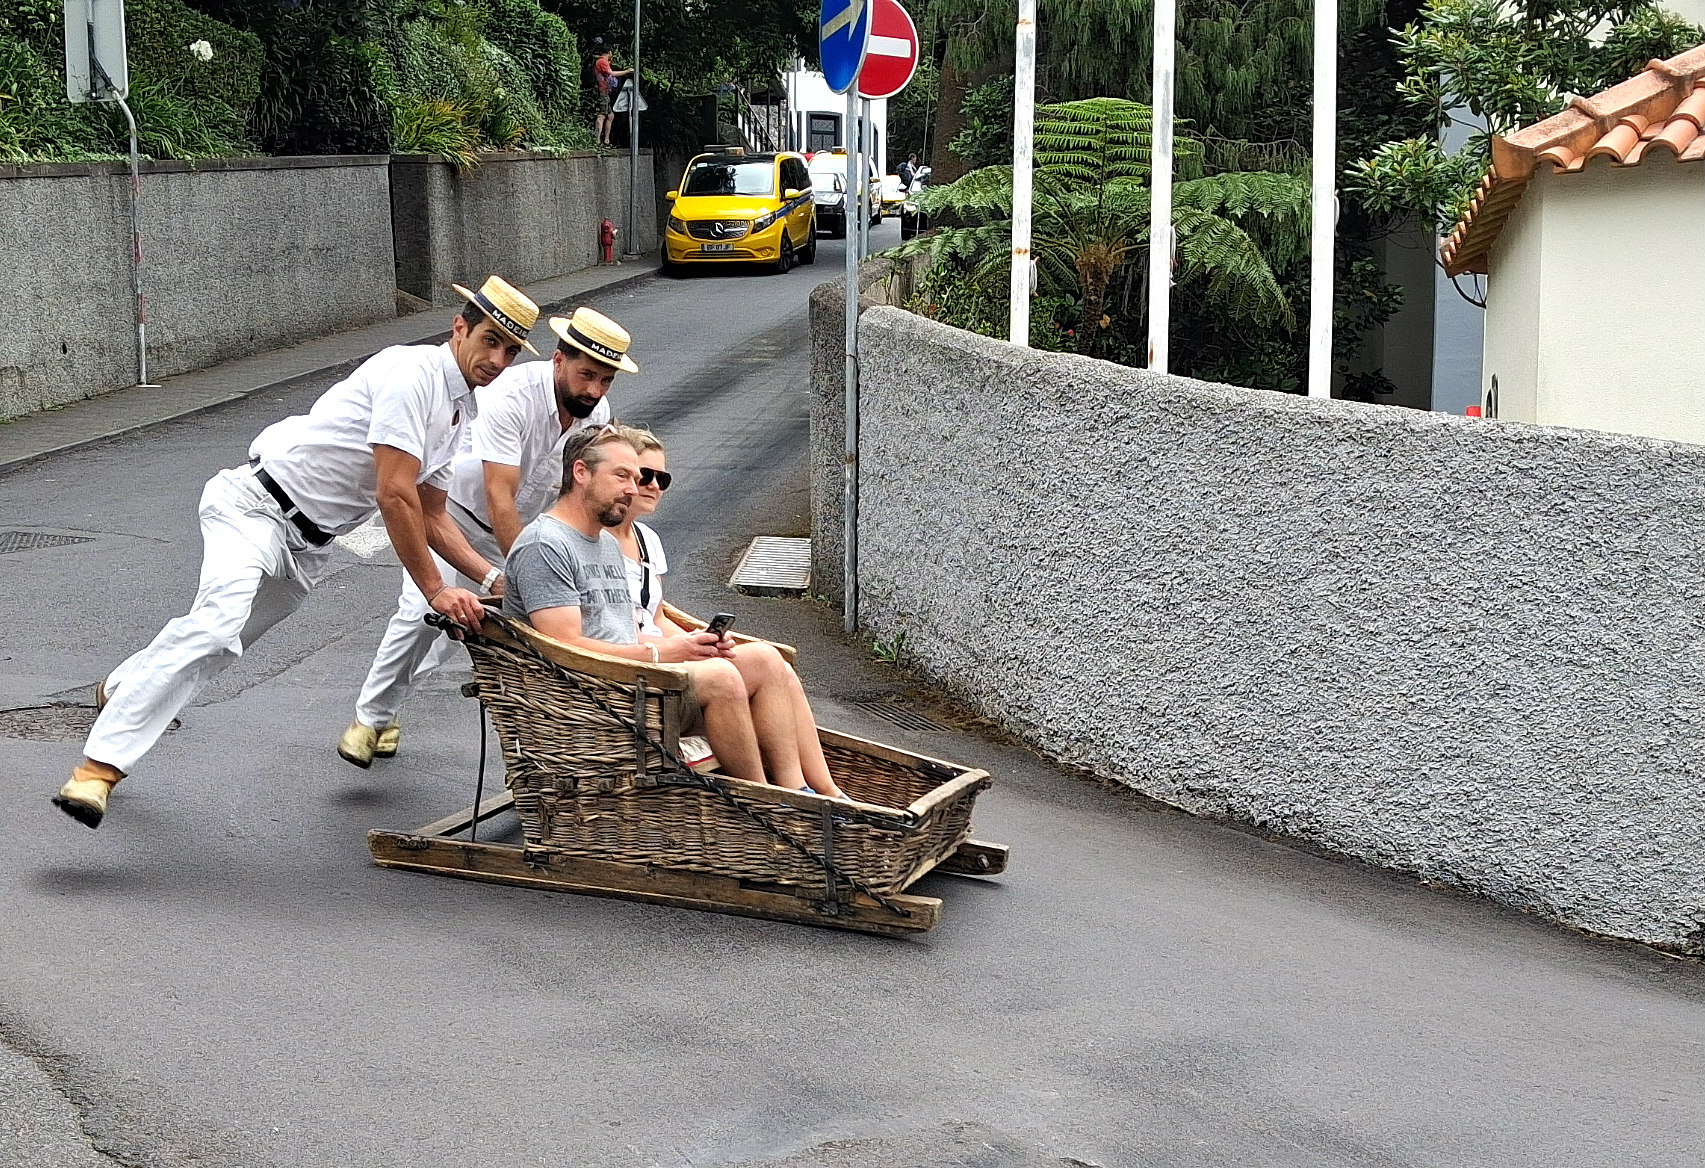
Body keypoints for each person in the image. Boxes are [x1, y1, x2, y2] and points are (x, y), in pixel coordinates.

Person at [52, 277, 540, 831]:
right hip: (255, 509)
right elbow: (394, 495)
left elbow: (432, 515)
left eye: (510, 351)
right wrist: (435, 590)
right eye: (490, 340)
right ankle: (97, 771)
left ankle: (121, 687)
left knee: (217, 642)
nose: (497, 360)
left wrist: (491, 578)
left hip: (306, 550)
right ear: (459, 328)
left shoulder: (458, 411)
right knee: (215, 629)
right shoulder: (413, 375)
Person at [336, 308, 637, 767]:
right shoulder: (512, 395)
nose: (594, 391)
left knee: (452, 635)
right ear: (558, 360)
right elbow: (499, 497)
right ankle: (367, 720)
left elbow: (579, 492)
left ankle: (387, 709)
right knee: (421, 612)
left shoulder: (596, 413)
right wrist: (530, 575)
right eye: (586, 375)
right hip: (453, 518)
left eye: (605, 381)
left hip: (519, 534)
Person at [504, 427, 845, 797]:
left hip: (633, 678)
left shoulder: (603, 542)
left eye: (636, 479)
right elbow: (563, 646)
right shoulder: (545, 545)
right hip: (597, 696)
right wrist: (664, 654)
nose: (633, 489)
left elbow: (620, 628)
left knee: (764, 658)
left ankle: (807, 793)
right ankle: (764, 803)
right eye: (622, 476)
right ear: (581, 472)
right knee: (721, 677)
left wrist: (692, 646)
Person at [592, 46, 633, 148]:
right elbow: (612, 73)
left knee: (610, 116)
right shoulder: (602, 61)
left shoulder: (604, 62)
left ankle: (606, 141)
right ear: (609, 52)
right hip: (602, 91)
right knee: (602, 115)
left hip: (605, 91)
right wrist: (627, 71)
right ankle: (597, 142)